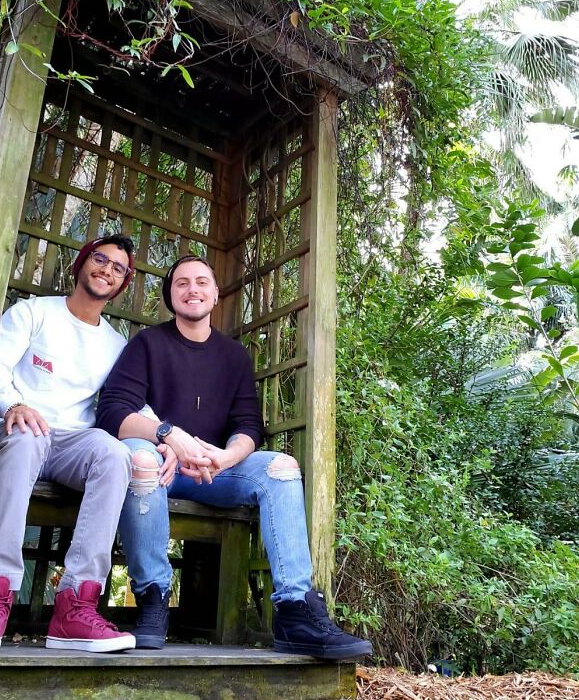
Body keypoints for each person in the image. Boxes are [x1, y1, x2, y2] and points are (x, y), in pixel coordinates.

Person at [96, 255, 373, 660]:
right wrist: (168, 438)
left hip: (213, 472)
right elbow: (113, 412)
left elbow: (248, 425)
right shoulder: (148, 344)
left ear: (215, 294)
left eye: (202, 282)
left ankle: (295, 610)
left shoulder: (233, 356)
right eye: (182, 283)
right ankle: (152, 598)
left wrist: (225, 458)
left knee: (280, 468)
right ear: (170, 295)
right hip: (163, 464)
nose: (193, 290)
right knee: (140, 459)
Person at [0, 235, 172, 654]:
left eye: (118, 268)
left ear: (123, 282)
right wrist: (12, 404)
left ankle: (76, 605)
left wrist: (167, 437)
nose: (107, 269)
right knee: (26, 437)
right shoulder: (34, 313)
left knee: (112, 453)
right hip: (12, 431)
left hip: (71, 443)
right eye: (100, 259)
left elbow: (131, 402)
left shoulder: (114, 343)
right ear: (81, 264)